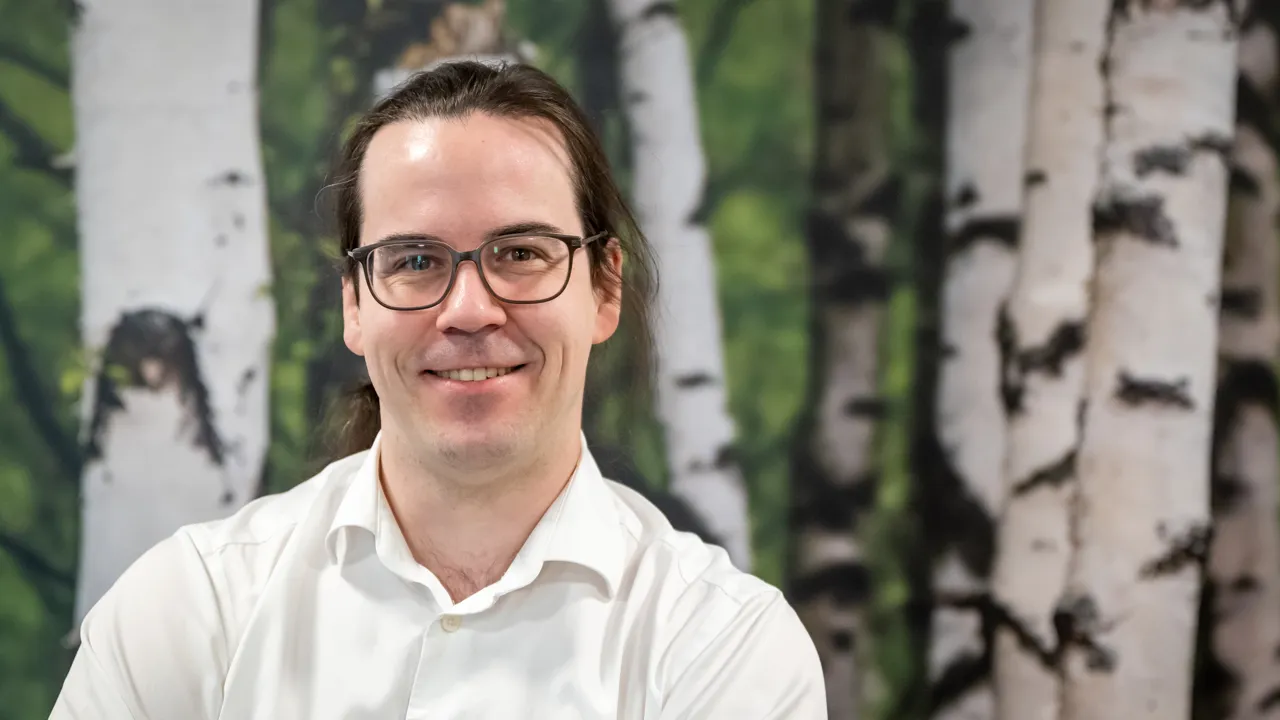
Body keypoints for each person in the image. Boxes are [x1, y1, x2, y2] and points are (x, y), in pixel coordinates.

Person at [50, 60, 826, 719]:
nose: (468, 311)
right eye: (415, 260)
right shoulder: (188, 610)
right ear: (354, 304)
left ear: (605, 288)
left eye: (521, 251)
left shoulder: (723, 644)